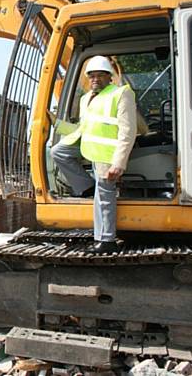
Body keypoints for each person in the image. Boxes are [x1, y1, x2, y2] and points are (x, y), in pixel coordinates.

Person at [48, 55, 137, 253]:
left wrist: (119, 163)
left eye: (100, 75)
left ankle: (107, 241)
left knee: (104, 195)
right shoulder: (85, 98)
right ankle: (86, 186)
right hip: (89, 147)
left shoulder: (121, 93)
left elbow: (127, 131)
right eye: (92, 76)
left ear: (109, 77)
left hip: (107, 154)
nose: (95, 79)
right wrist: (57, 124)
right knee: (58, 151)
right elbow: (83, 128)